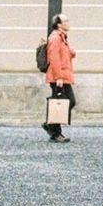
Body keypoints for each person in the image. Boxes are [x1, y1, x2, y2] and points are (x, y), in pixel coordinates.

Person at [44, 13, 76, 143]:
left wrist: (71, 53)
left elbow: (62, 56)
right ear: (59, 24)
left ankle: (51, 126)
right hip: (59, 77)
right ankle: (54, 131)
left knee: (65, 103)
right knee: (63, 103)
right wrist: (58, 77)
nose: (68, 23)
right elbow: (54, 58)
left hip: (63, 76)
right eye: (66, 21)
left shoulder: (62, 37)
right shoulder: (55, 38)